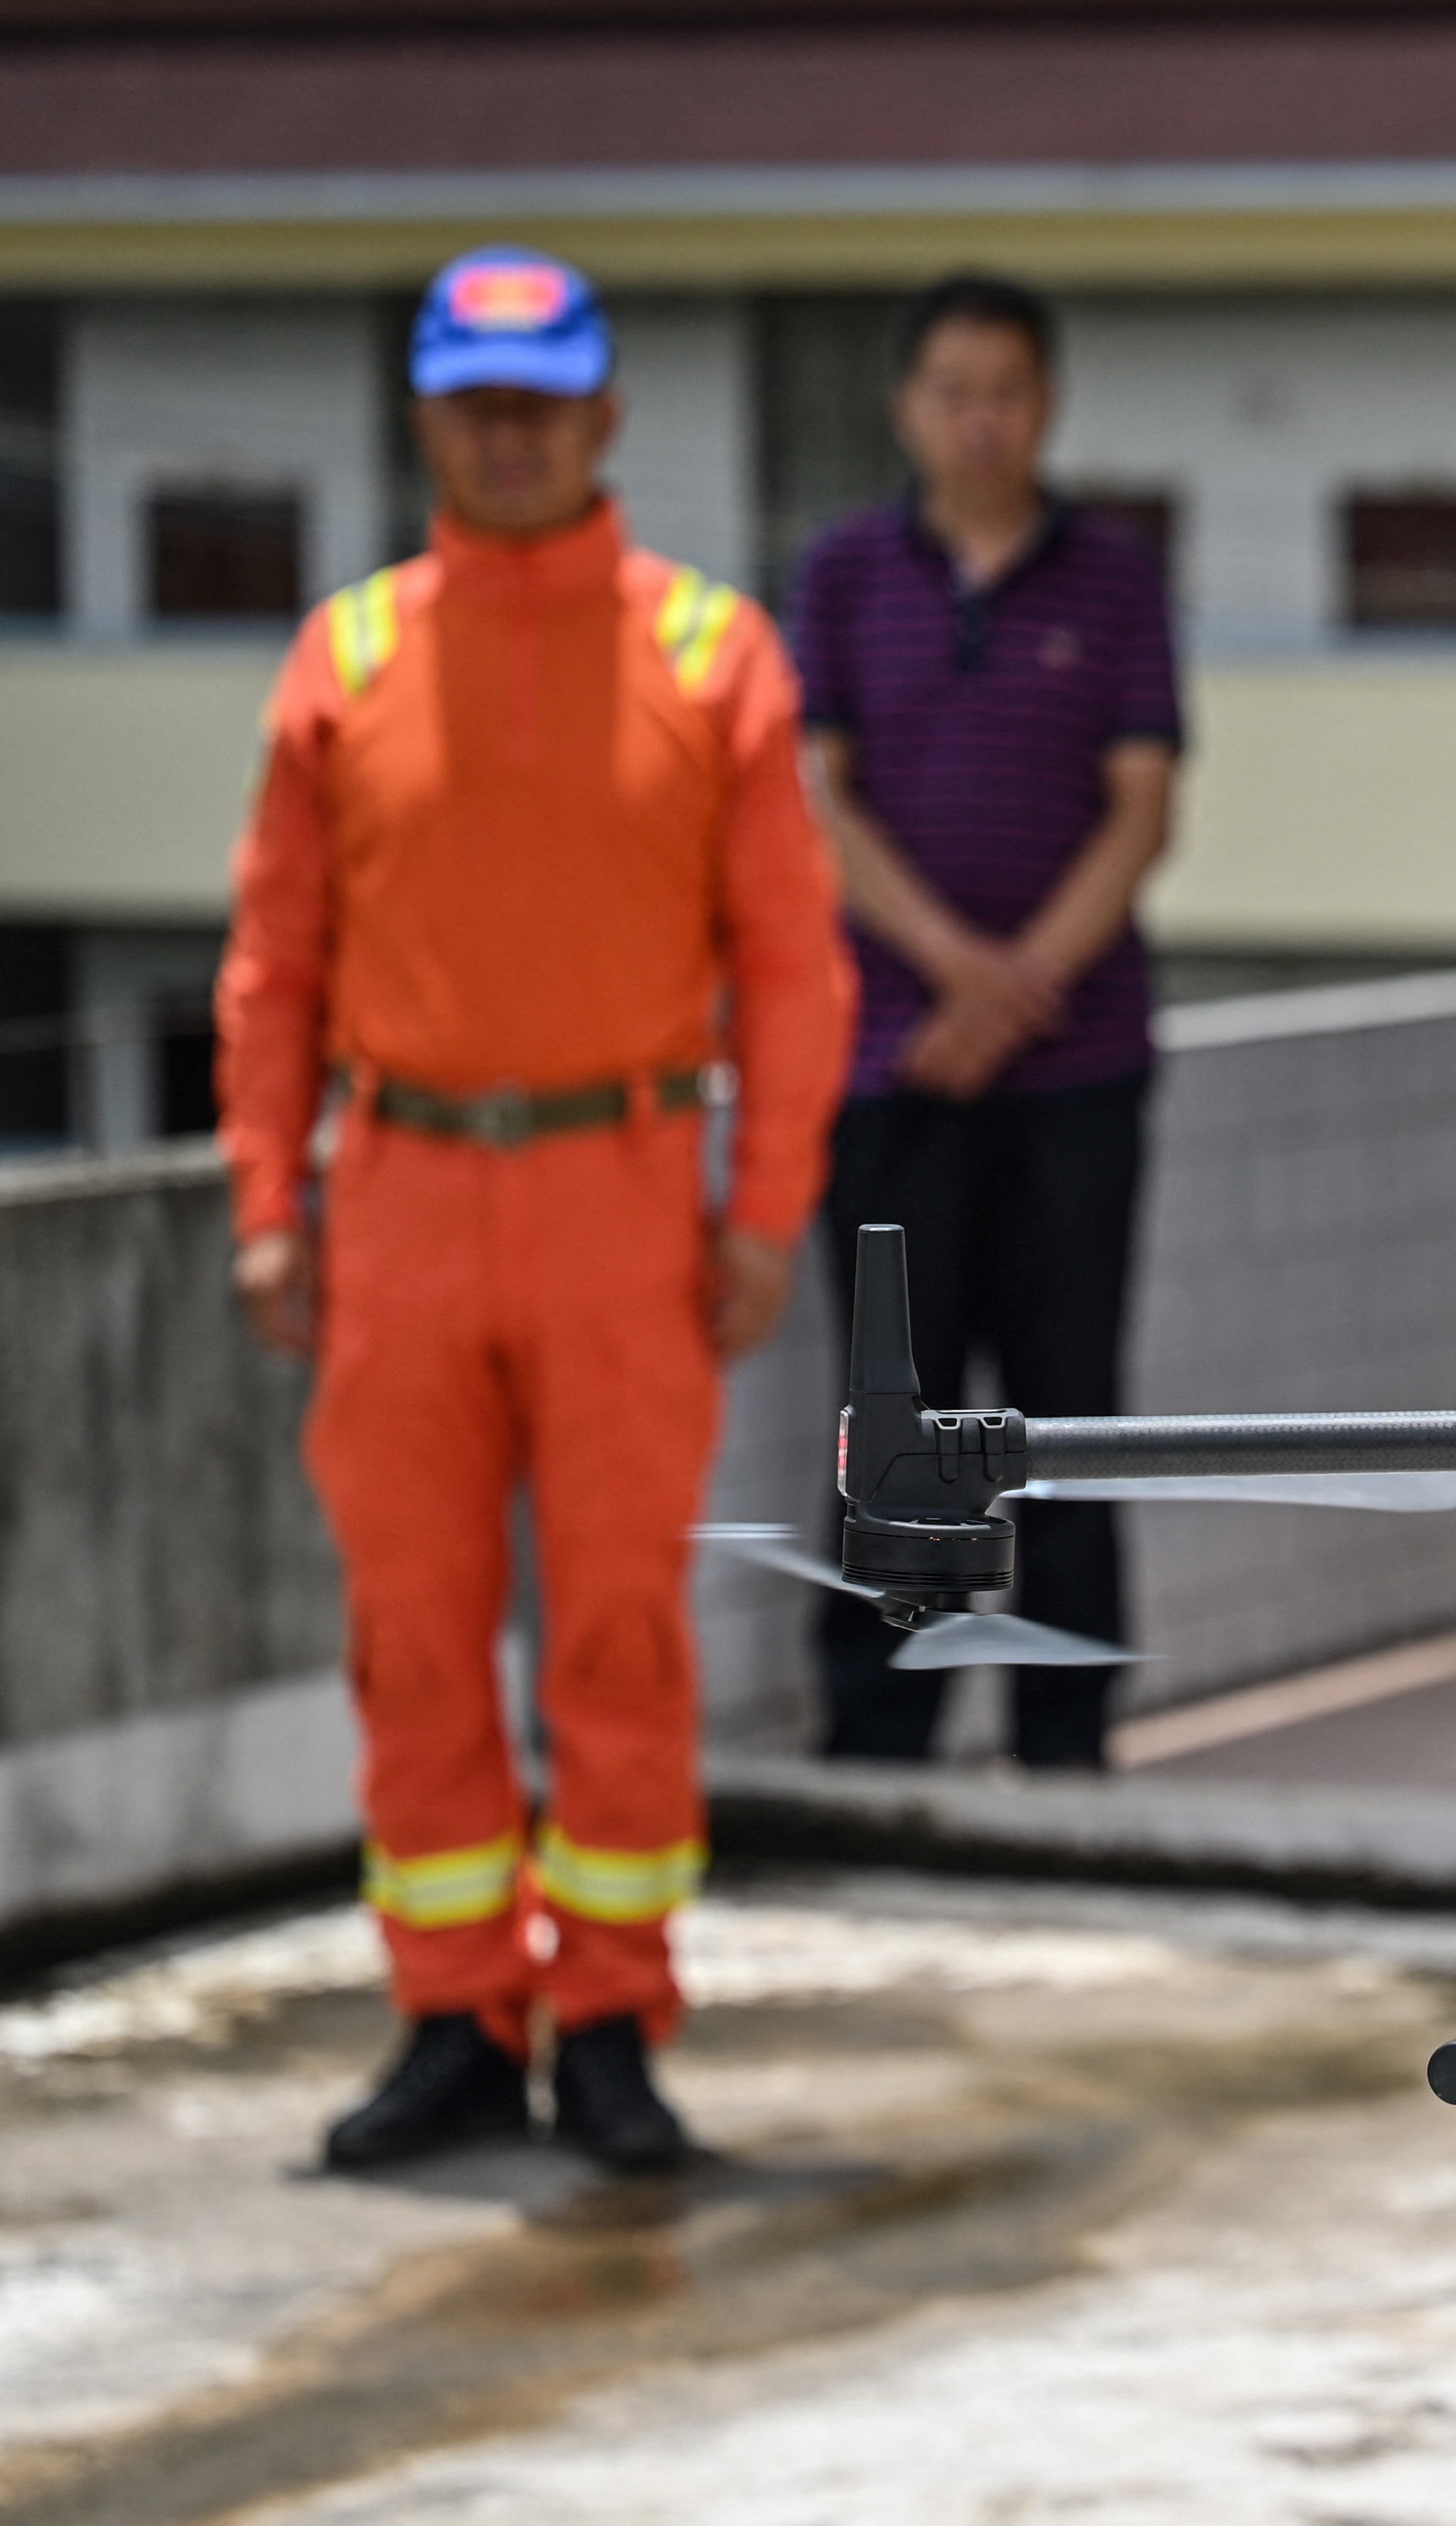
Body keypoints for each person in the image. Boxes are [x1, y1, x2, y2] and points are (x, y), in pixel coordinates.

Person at [216, 246, 854, 2176]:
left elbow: (794, 966)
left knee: (618, 1629)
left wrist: (764, 1210)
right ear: (428, 417)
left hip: (622, 1193)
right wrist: (268, 1202)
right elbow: (272, 963)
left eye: (542, 402)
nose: (509, 438)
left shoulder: (706, 655)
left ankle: (609, 2016)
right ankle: (448, 2013)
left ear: (605, 416)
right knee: (412, 1630)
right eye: (476, 404)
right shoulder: (343, 659)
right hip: (398, 1190)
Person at [788, 273, 1182, 1770]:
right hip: (891, 1068)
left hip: (1079, 1076)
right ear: (907, 406)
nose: (979, 418)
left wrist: (1014, 994)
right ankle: (880, 1728)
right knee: (893, 1409)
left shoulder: (1115, 577)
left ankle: (1064, 1735)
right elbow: (821, 803)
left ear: (1047, 400)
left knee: (1069, 1413)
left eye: (1006, 389)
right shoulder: (840, 574)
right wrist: (958, 971)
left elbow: (1142, 811)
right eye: (951, 389)